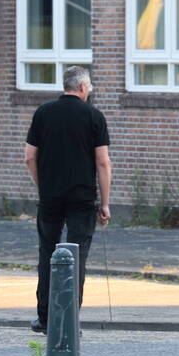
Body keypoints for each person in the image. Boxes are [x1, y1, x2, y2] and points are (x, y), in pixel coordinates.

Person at [23, 65, 112, 333]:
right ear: (83, 87)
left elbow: (29, 157)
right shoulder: (94, 116)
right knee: (76, 256)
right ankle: (69, 319)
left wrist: (44, 185)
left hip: (50, 197)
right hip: (82, 198)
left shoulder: (43, 113)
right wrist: (105, 203)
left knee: (46, 252)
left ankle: (45, 318)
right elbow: (103, 162)